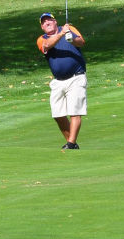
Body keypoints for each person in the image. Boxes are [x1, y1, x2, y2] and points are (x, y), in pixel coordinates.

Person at [36, 12, 87, 149]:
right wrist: (61, 34)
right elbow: (47, 46)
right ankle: (72, 143)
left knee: (75, 111)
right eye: (44, 22)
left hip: (76, 77)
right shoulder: (42, 39)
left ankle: (70, 143)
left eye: (49, 20)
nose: (47, 23)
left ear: (55, 22)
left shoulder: (69, 28)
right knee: (57, 114)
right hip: (58, 81)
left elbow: (81, 42)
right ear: (42, 27)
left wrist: (71, 39)